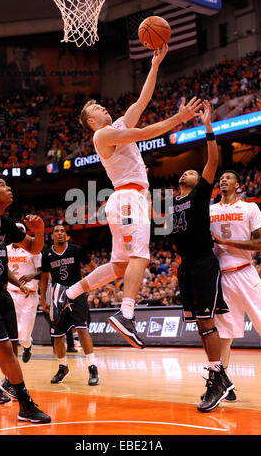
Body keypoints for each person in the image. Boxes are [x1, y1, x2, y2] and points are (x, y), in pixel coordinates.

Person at [49, 45, 202, 350]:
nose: (105, 110)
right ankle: (127, 314)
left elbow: (142, 101)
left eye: (103, 108)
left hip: (126, 200)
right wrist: (179, 118)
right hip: (129, 199)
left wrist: (155, 64)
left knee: (120, 266)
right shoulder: (102, 136)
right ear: (91, 122)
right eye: (98, 111)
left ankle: (68, 293)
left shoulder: (116, 125)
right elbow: (145, 132)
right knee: (140, 257)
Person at [0, 172, 51, 424]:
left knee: (6, 349)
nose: (9, 188)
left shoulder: (4, 224)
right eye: (2, 185)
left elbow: (33, 248)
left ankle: (25, 406)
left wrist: (40, 232)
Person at [169, 100, 233, 413]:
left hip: (204, 263)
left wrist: (208, 127)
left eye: (195, 171)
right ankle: (219, 376)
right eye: (187, 170)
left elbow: (212, 161)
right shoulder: (172, 203)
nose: (191, 170)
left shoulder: (200, 193)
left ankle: (217, 379)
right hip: (186, 266)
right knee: (200, 324)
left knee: (207, 322)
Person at [210, 169, 261, 400]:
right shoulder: (210, 210)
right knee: (224, 335)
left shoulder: (249, 208)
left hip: (245, 272)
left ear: (238, 184)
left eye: (228, 177)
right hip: (221, 277)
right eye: (221, 177)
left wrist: (227, 242)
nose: (223, 179)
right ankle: (220, 384)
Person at [39, 224, 99, 385]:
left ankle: (92, 368)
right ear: (52, 236)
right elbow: (44, 278)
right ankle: (62, 367)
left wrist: (89, 286)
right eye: (56, 231)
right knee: (57, 336)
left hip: (77, 294)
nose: (59, 233)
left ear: (66, 235)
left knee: (82, 329)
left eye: (62, 231)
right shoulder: (47, 255)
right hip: (57, 296)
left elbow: (93, 268)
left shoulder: (76, 250)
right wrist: (43, 300)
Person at [0, 255, 30, 404]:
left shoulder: (2, 242)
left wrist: (18, 284)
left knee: (13, 341)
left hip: (4, 294)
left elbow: (5, 269)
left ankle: (10, 381)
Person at [7, 222, 42, 363]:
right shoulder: (5, 250)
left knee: (23, 337)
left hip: (29, 295)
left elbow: (43, 272)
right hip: (11, 293)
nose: (19, 232)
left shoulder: (34, 250)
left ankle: (28, 346)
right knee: (12, 334)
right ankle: (11, 369)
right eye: (16, 230)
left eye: (22, 230)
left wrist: (31, 276)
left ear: (26, 233)